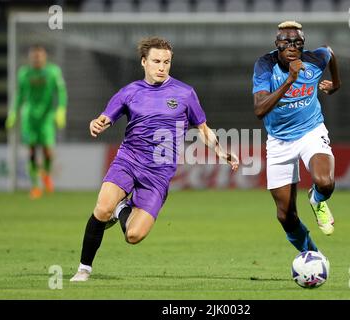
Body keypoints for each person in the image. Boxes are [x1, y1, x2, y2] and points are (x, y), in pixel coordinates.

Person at [70, 37, 239, 282]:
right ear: (144, 62)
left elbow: (203, 129)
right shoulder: (129, 92)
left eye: (167, 62)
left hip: (159, 174)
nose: (162, 67)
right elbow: (104, 118)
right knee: (102, 207)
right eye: (156, 61)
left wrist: (221, 152)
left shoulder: (185, 93)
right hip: (128, 161)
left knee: (134, 236)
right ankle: (84, 268)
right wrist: (97, 124)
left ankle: (122, 209)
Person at [252, 21, 341, 254]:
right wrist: (290, 80)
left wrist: (336, 84)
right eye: (286, 42)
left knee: (325, 182)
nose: (292, 47)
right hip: (279, 141)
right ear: (277, 44)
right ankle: (312, 255)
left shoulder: (314, 59)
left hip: (311, 131)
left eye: (298, 43)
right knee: (286, 216)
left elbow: (329, 52)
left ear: (303, 45)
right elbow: (260, 109)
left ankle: (317, 198)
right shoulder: (265, 65)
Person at [5, 45, 68, 199]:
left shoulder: (53, 72)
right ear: (30, 58)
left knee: (47, 150)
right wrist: (13, 113)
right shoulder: (24, 73)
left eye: (39, 56)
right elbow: (19, 95)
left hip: (46, 116)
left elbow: (61, 92)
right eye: (34, 56)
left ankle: (45, 174)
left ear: (44, 57)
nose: (37, 59)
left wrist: (60, 110)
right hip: (29, 116)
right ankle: (35, 186)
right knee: (32, 151)